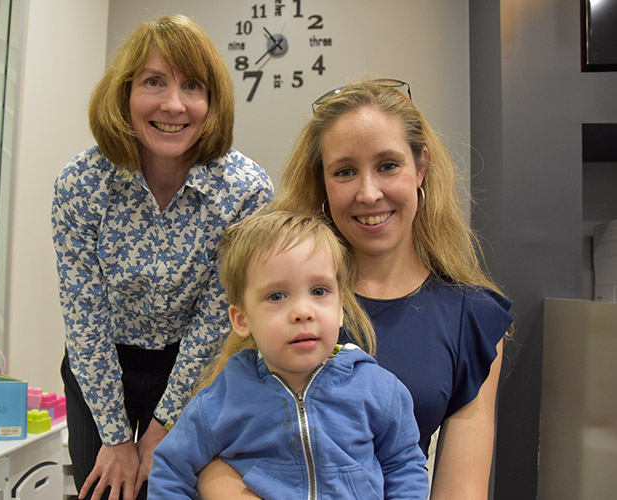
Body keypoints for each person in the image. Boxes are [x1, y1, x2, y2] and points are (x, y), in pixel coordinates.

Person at [198, 79, 514, 499]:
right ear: (323, 182)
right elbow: (211, 455)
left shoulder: (472, 319)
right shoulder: (279, 290)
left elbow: (463, 489)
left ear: (421, 167)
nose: (369, 193)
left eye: (388, 165)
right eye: (345, 171)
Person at [51, 14, 274, 500]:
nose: (174, 105)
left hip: (193, 366)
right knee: (103, 489)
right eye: (154, 82)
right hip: (101, 365)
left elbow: (217, 317)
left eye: (192, 86)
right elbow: (83, 315)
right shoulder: (81, 184)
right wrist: (116, 438)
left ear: (212, 102)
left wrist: (160, 427)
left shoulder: (244, 190)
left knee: (173, 490)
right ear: (125, 94)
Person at [149, 210, 429, 499]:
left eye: (319, 291)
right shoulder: (221, 400)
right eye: (277, 296)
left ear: (341, 307)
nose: (303, 312)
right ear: (241, 320)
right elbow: (170, 470)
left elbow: (404, 467)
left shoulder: (379, 389)